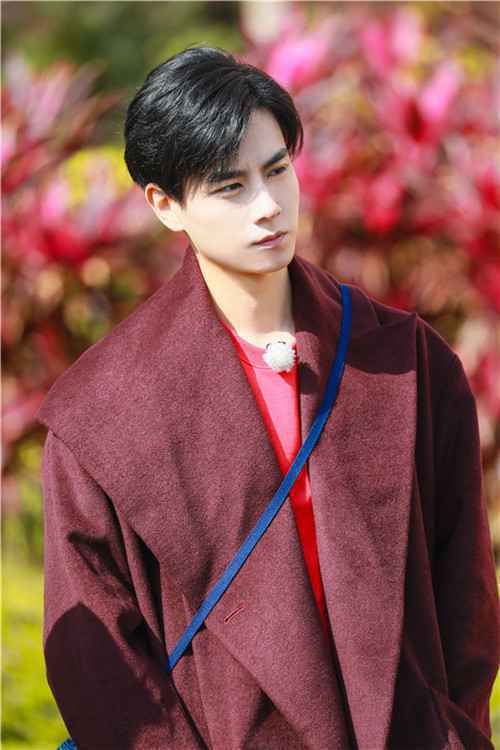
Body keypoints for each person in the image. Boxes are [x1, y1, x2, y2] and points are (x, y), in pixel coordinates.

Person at [36, 45, 499, 750]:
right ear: (165, 205)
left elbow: (466, 600)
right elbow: (99, 666)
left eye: (277, 170)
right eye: (230, 187)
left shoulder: (408, 361)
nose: (268, 207)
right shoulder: (101, 416)